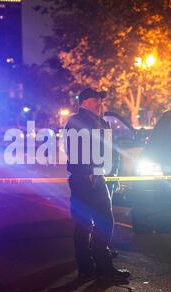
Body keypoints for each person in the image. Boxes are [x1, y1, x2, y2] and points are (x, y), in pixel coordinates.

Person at [65, 88, 130, 280]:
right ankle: (100, 266)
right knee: (100, 221)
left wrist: (113, 171)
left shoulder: (98, 121)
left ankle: (88, 267)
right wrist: (88, 173)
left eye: (100, 100)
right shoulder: (78, 122)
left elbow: (108, 149)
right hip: (87, 179)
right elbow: (76, 150)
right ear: (83, 102)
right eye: (95, 100)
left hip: (97, 176)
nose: (99, 103)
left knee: (87, 223)